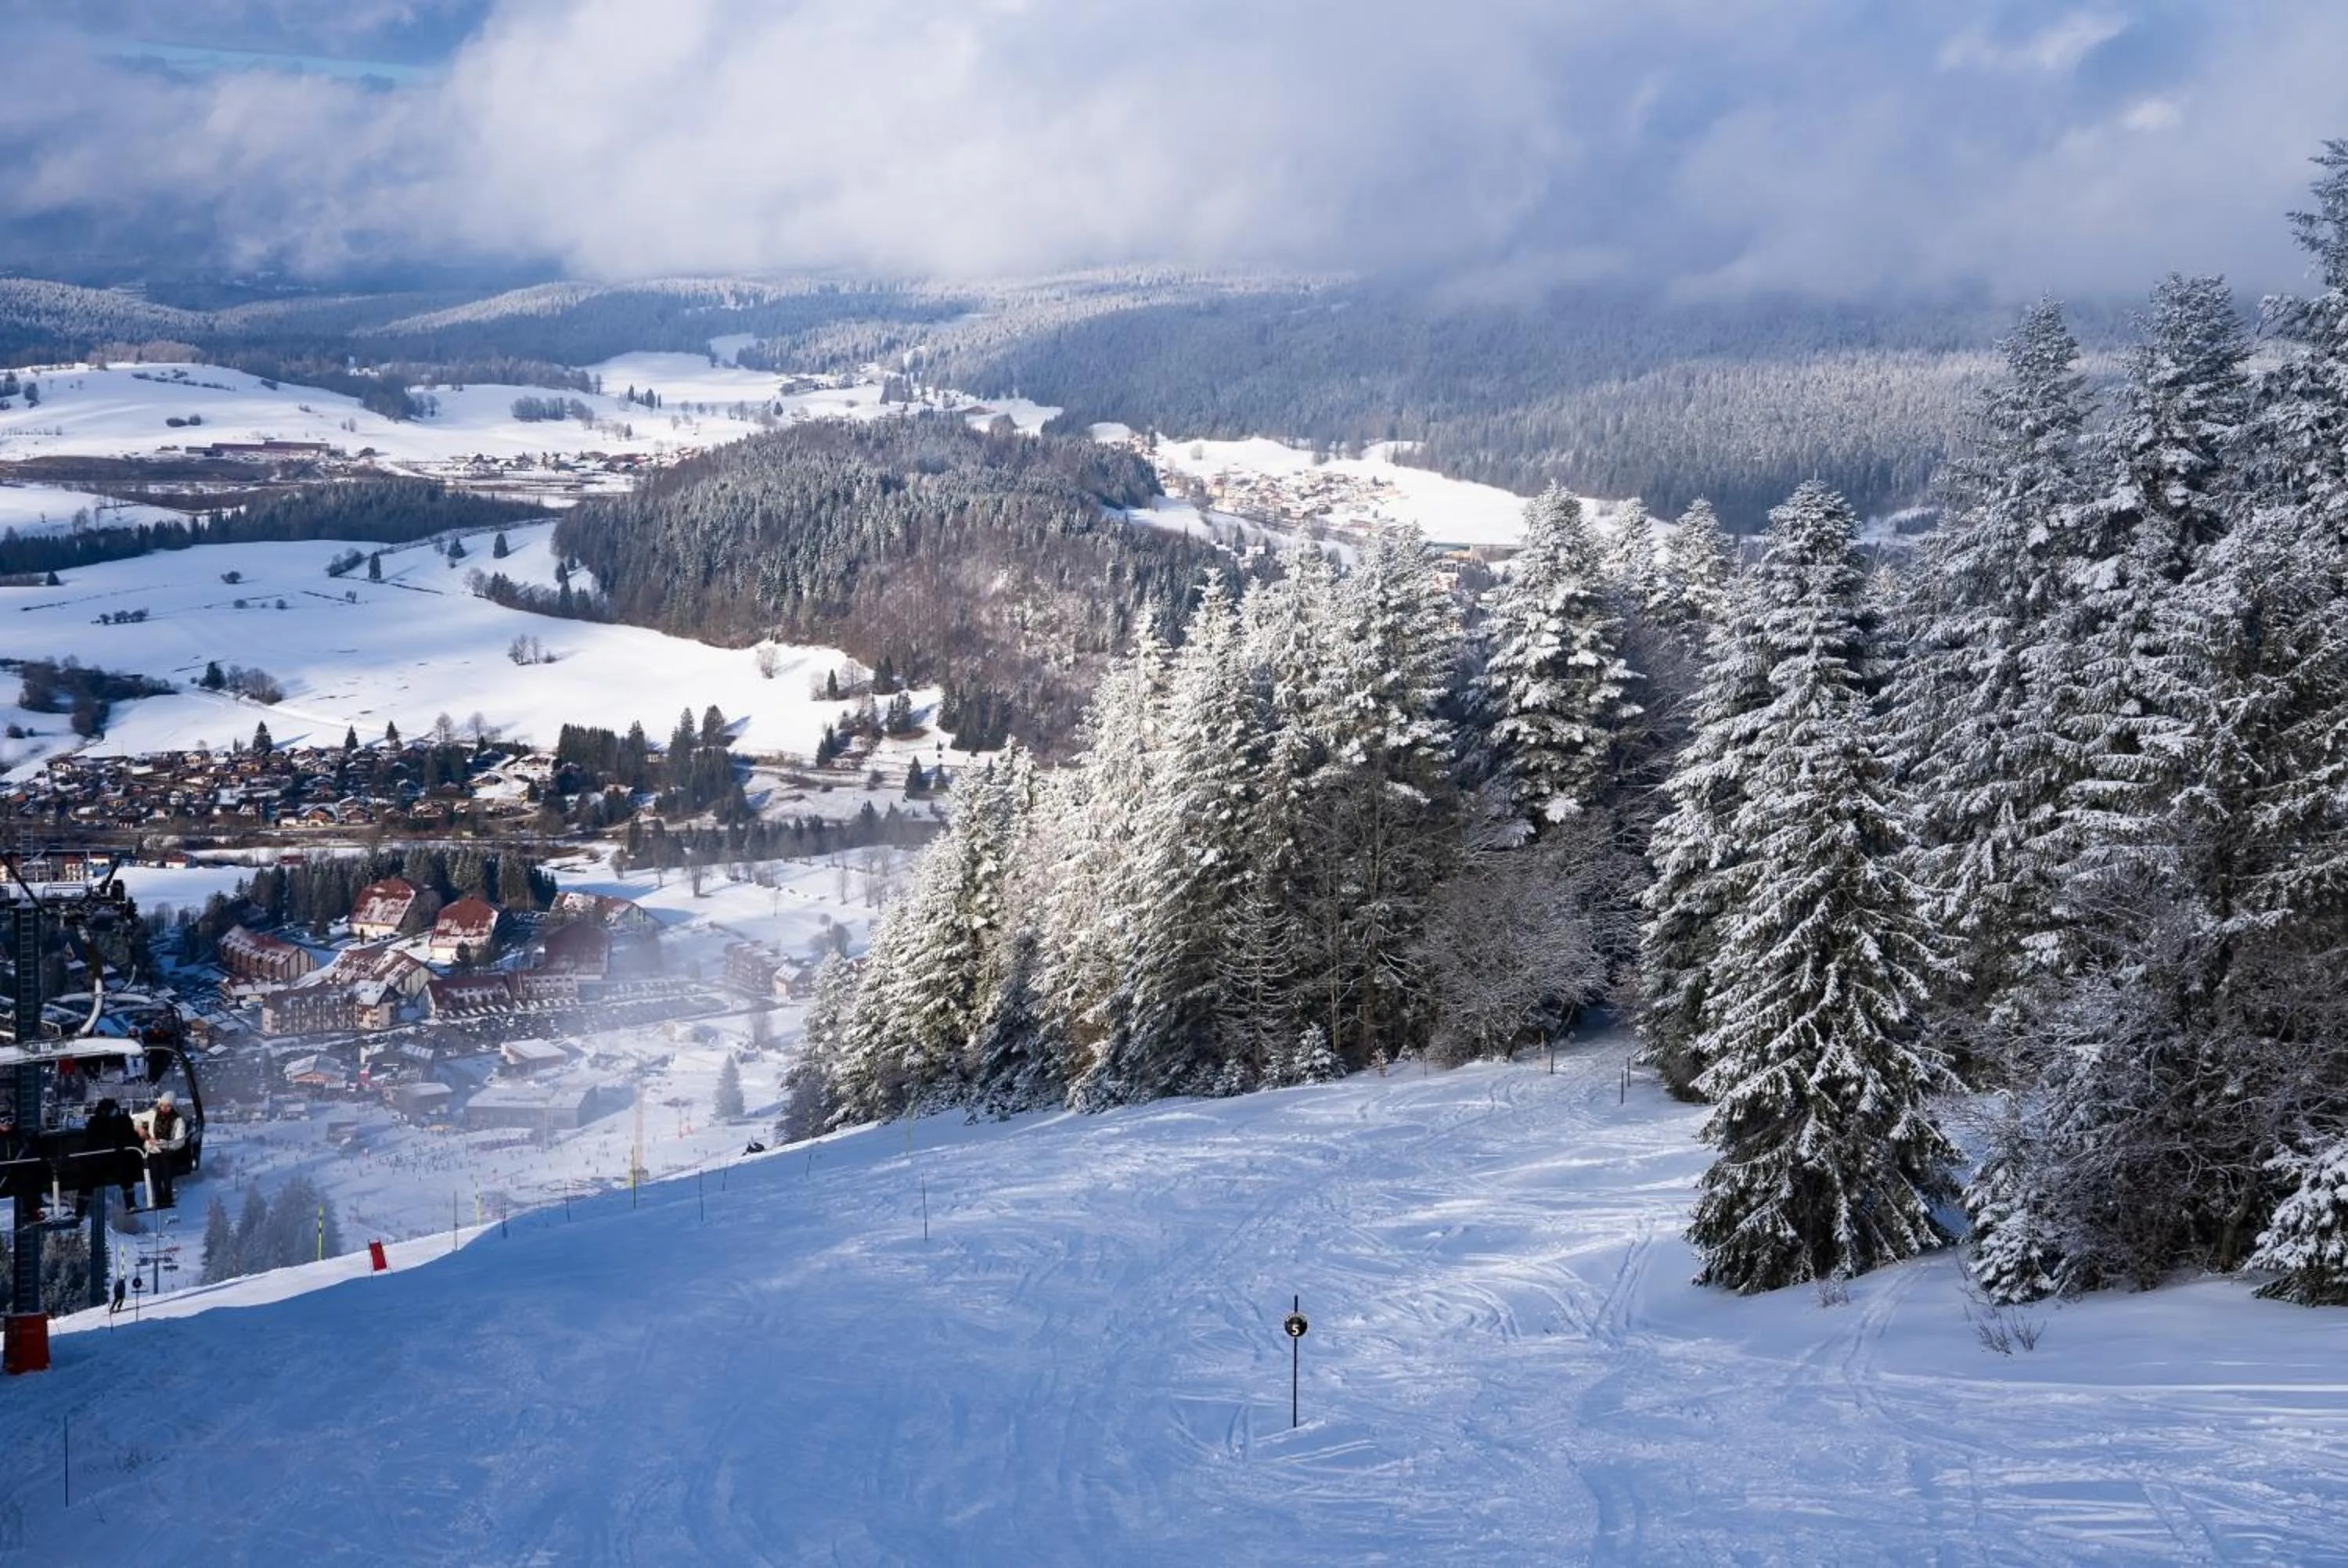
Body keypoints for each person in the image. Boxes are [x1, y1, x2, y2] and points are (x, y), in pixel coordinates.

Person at [85, 1096, 143, 1210]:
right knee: (122, 1173)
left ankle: (130, 1203)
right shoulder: (98, 1123)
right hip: (105, 1160)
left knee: (124, 1172)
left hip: (118, 1159)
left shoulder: (121, 1121)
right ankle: (130, 1203)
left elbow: (131, 1137)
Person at [135, 1091, 189, 1209]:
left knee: (167, 1177)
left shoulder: (178, 1121)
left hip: (167, 1153)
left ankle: (167, 1199)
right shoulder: (152, 1114)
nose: (164, 1108)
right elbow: (138, 1119)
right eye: (162, 1105)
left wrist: (162, 1143)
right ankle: (158, 1200)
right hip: (152, 1152)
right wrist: (140, 1129)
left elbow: (179, 1142)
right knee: (155, 1177)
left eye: (168, 1106)